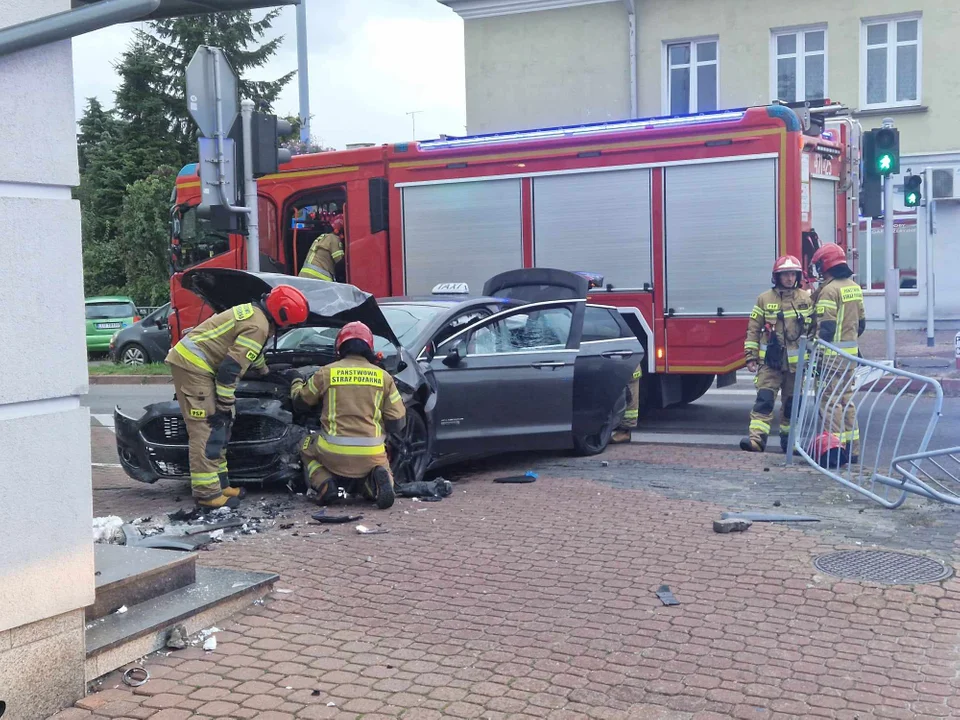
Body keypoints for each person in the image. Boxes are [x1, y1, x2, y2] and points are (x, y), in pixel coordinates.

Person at [166, 285, 310, 508]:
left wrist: (265, 373)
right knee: (206, 428)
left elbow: (252, 352)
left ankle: (222, 484)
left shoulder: (257, 315)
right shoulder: (258, 326)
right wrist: (224, 404)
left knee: (221, 427)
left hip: (200, 365)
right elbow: (229, 370)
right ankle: (207, 495)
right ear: (282, 315)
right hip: (192, 366)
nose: (289, 327)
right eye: (290, 323)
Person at [290, 321, 406, 509]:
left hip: (333, 453)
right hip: (371, 453)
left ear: (339, 346)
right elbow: (397, 420)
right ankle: (376, 484)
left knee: (304, 446)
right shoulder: (383, 377)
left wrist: (295, 380)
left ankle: (324, 483)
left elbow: (301, 402)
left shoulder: (327, 372)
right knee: (379, 463)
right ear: (369, 347)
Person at [740, 255, 812, 453]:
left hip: (796, 367)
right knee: (764, 400)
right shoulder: (764, 299)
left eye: (792, 274)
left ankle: (789, 443)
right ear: (777, 277)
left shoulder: (806, 299)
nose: (789, 278)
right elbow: (753, 329)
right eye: (785, 275)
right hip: (770, 364)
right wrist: (750, 356)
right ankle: (756, 440)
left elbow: (814, 329)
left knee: (791, 405)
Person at [809, 243, 866, 463]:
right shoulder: (854, 287)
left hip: (831, 356)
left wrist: (818, 350)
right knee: (846, 400)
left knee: (830, 402)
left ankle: (835, 451)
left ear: (826, 264)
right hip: (849, 355)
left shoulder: (829, 290)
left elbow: (827, 328)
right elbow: (861, 324)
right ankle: (852, 450)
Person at [299, 214, 344, 282]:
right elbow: (340, 263)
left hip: (304, 276)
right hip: (318, 279)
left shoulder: (323, 237)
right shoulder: (334, 239)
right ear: (339, 231)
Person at [612, 364, 643, 444]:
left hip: (628, 369)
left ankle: (624, 432)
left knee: (629, 399)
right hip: (627, 367)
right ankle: (624, 431)